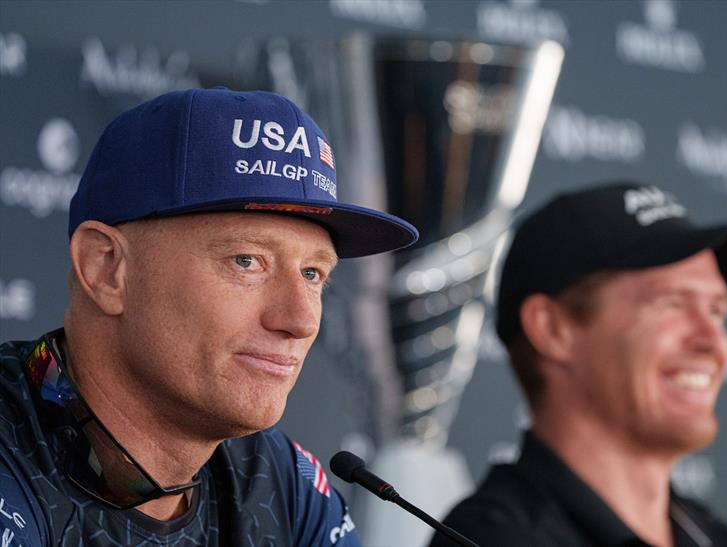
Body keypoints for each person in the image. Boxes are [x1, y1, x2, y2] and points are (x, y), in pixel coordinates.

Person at [0, 87, 418, 546]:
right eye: (246, 261)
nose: (300, 320)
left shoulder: (280, 482)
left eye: (314, 273)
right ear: (106, 269)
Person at [430, 182, 727, 547]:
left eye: (716, 311)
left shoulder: (723, 539)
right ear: (553, 329)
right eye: (672, 303)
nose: (714, 341)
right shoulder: (491, 539)